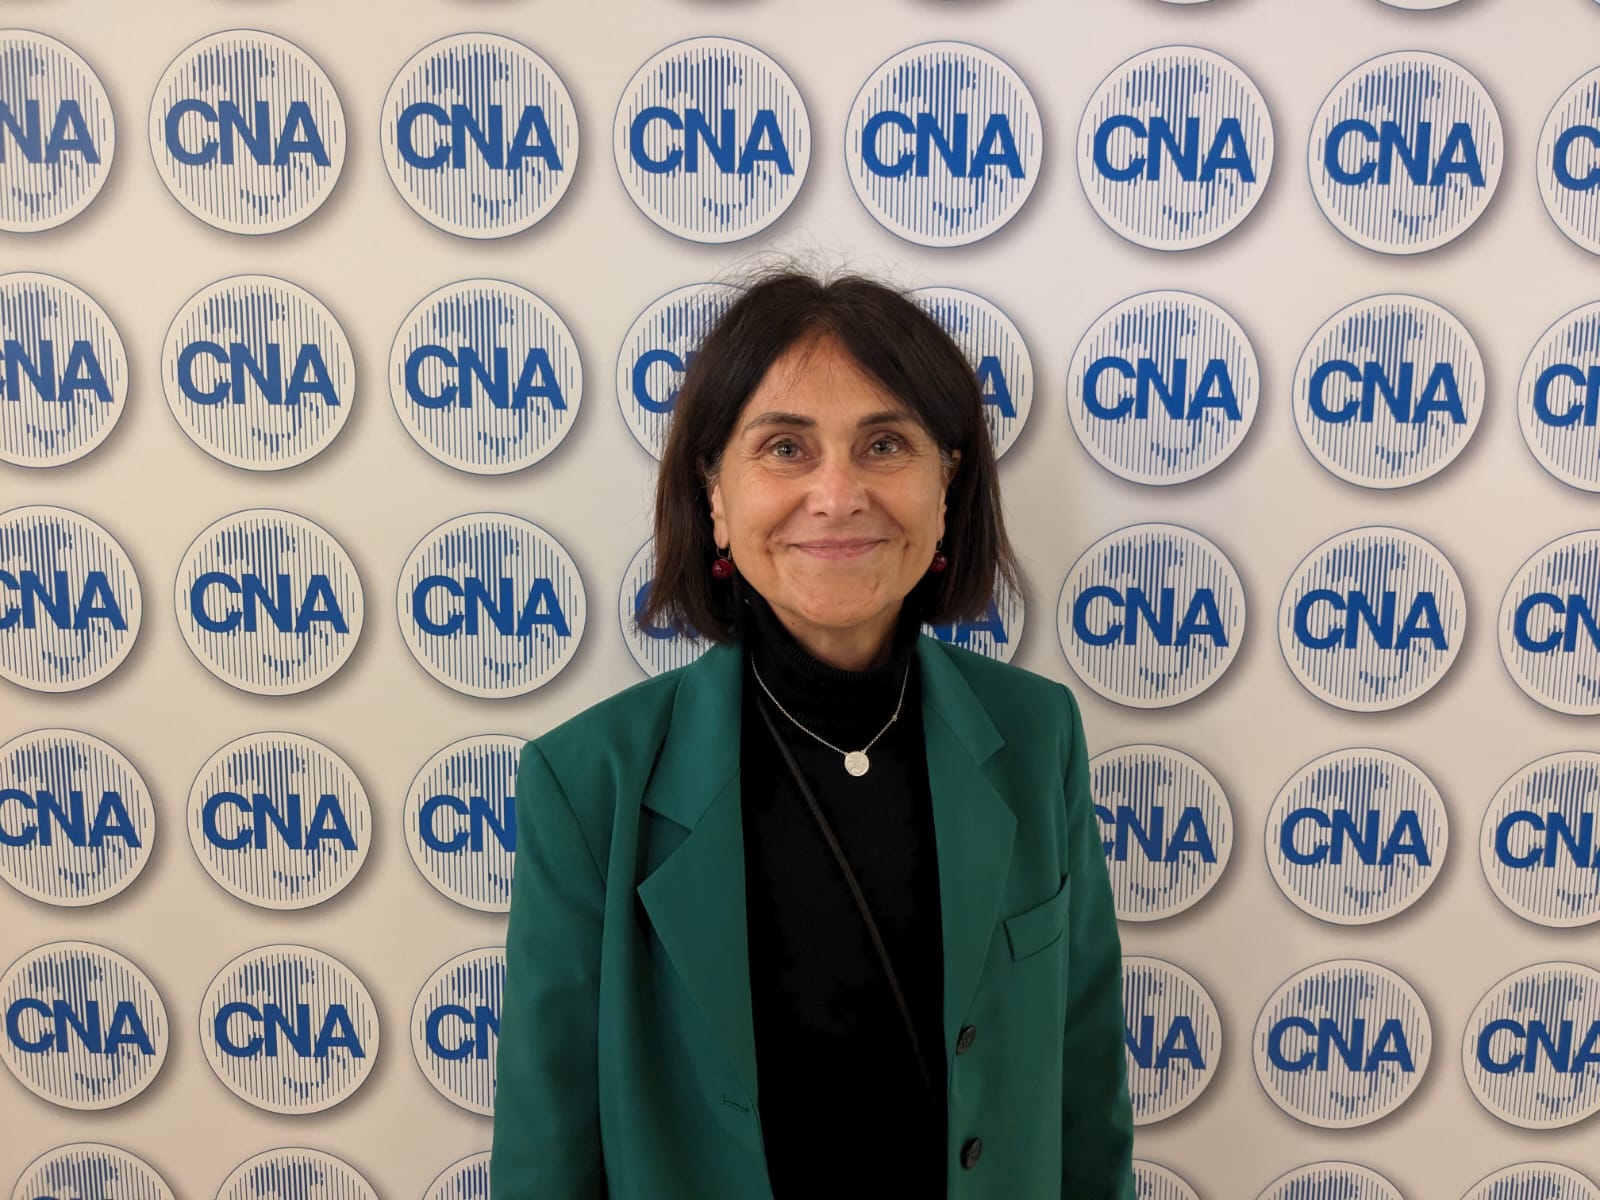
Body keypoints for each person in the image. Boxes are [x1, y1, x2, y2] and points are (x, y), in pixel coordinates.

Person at [491, 269, 1134, 1199]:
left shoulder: (1037, 738)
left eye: (885, 444)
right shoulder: (590, 782)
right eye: (786, 448)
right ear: (715, 493)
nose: (837, 495)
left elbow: (1085, 1095)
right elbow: (546, 1154)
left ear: (946, 486)